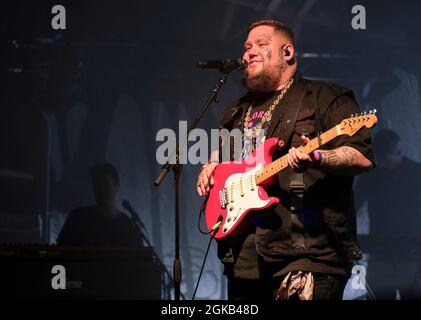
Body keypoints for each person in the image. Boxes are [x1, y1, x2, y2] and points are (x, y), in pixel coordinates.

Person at [196, 19, 374, 300]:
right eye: (247, 47)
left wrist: (317, 157)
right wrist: (211, 165)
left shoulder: (325, 97)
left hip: (308, 255)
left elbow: (360, 156)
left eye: (262, 45)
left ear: (287, 53)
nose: (249, 52)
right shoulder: (237, 110)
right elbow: (228, 155)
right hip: (244, 257)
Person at [354, 129, 421, 299]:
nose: (382, 163)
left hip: (412, 253)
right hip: (381, 253)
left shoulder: (416, 174)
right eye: (379, 159)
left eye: (387, 159)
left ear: (398, 153)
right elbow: (353, 207)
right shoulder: (370, 178)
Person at [57, 162, 143, 246]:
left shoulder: (128, 227)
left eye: (106, 185)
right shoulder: (78, 218)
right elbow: (60, 251)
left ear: (117, 186)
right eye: (97, 185)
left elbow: (139, 257)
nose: (101, 190)